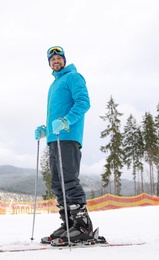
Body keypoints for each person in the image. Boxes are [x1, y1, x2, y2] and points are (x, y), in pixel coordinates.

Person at [35, 46, 93, 245]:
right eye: (52, 59)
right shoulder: (54, 85)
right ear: (49, 63)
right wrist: (46, 130)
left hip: (68, 136)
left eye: (59, 58)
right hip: (54, 138)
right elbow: (56, 112)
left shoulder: (74, 77)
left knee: (68, 179)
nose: (56, 61)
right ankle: (69, 223)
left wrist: (67, 121)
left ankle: (83, 226)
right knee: (57, 183)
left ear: (64, 60)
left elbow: (84, 102)